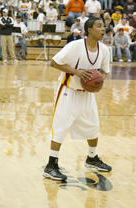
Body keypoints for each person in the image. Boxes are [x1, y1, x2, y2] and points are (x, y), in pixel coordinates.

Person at [43, 17, 112, 181]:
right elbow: (54, 63)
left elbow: (104, 71)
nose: (103, 29)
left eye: (103, 26)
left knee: (93, 126)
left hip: (87, 94)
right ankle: (51, 165)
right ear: (89, 29)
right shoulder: (75, 46)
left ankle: (92, 158)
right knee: (60, 127)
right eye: (99, 26)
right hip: (68, 91)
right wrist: (77, 72)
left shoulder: (104, 50)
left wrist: (99, 81)